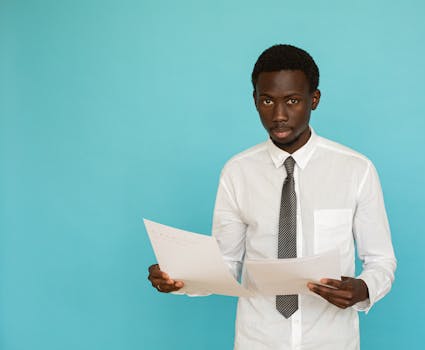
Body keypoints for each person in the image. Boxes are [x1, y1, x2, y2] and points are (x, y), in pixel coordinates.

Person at [148, 44, 396, 350]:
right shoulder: (237, 172)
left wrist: (364, 288)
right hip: (257, 339)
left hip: (332, 340)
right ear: (254, 100)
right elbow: (226, 263)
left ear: (314, 99)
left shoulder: (357, 170)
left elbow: (381, 260)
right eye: (267, 100)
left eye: (292, 100)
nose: (279, 115)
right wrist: (181, 279)